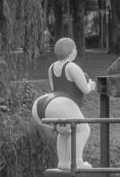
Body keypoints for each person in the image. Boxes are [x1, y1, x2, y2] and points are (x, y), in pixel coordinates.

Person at [32, 38, 95, 170]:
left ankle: (64, 162)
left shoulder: (52, 67)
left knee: (64, 131)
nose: (76, 51)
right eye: (75, 48)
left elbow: (53, 87)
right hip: (63, 102)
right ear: (72, 52)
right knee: (83, 129)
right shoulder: (72, 66)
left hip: (43, 104)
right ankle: (77, 162)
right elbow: (85, 89)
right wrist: (92, 85)